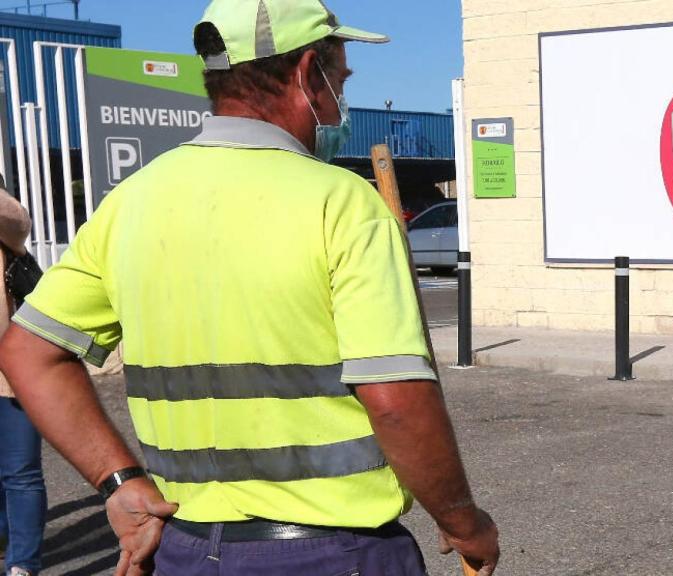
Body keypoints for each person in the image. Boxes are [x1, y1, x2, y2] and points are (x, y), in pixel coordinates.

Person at [0, 2, 499, 576]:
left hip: (185, 551)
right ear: (308, 73)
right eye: (339, 79)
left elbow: (28, 351)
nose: (340, 97)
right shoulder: (342, 203)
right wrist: (464, 522)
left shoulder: (130, 204)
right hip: (335, 555)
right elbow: (395, 401)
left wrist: (119, 481)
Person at [0, 187, 40, 576]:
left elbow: (17, 221)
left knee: (20, 472)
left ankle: (22, 565)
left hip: (9, 373)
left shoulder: (6, 225)